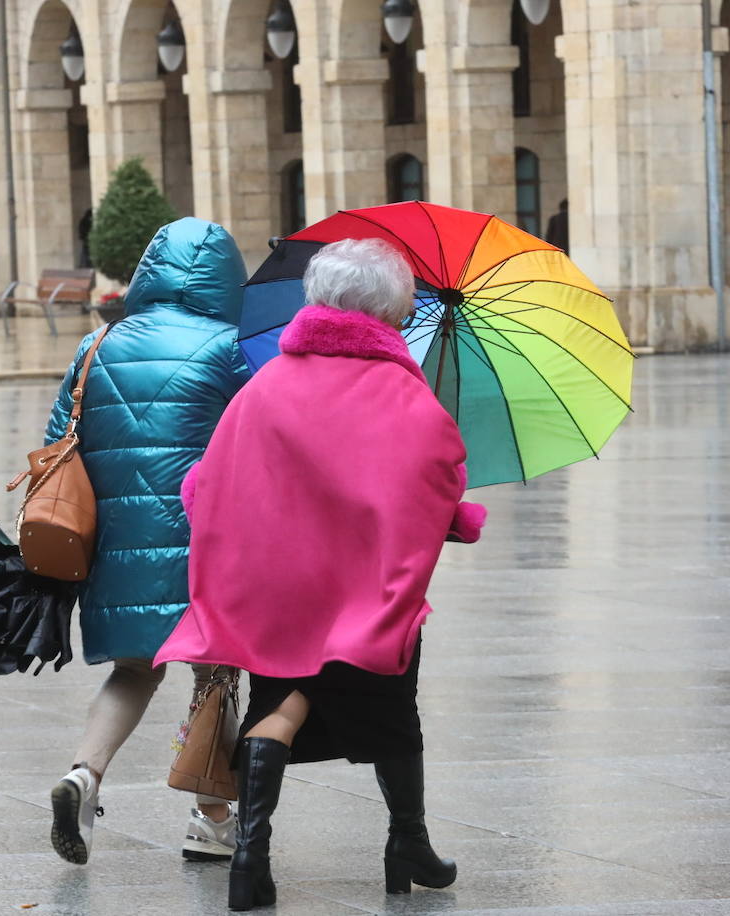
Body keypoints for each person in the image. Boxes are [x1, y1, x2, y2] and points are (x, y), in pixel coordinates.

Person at [153, 238, 487, 911]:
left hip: (278, 590)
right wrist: (459, 516)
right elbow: (438, 481)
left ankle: (250, 856)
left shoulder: (268, 383)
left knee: (280, 705)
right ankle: (407, 843)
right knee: (392, 709)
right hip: (367, 587)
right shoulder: (402, 389)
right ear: (392, 307)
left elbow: (205, 486)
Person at [45, 217, 252, 866]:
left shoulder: (96, 345)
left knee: (134, 668)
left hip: (115, 542)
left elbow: (58, 437)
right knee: (215, 669)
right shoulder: (232, 346)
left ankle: (85, 772)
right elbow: (260, 435)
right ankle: (211, 816)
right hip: (206, 537)